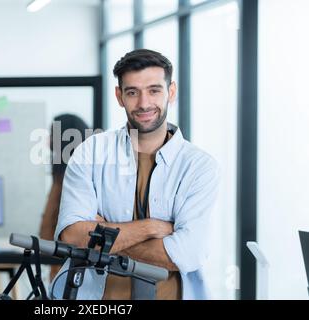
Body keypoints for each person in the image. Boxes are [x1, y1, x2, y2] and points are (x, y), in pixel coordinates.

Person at [53, 49, 220, 300]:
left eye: (154, 90)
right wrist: (152, 228)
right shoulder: (91, 152)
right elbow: (72, 238)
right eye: (132, 92)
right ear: (119, 96)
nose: (143, 103)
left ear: (171, 92)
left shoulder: (199, 167)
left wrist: (103, 232)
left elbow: (185, 255)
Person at [39, 114, 90, 281]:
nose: (48, 141)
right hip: (57, 262)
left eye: (52, 135)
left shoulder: (79, 175)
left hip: (72, 268)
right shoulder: (59, 174)